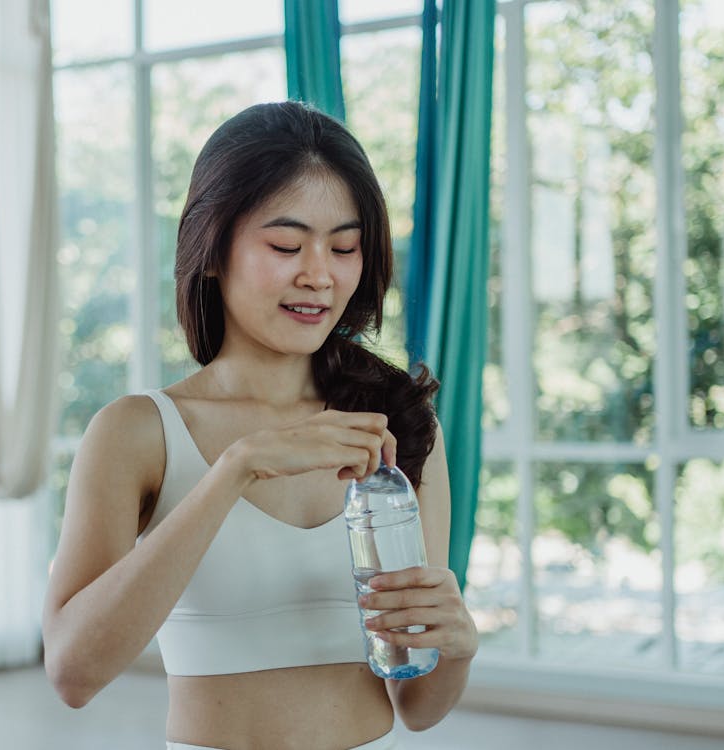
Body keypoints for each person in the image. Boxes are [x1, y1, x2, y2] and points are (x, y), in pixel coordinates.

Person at [42, 101, 478, 750]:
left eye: (343, 246)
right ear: (210, 249)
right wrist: (234, 468)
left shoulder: (396, 425)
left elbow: (417, 705)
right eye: (284, 244)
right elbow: (74, 674)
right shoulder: (137, 433)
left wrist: (458, 648)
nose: (318, 275)